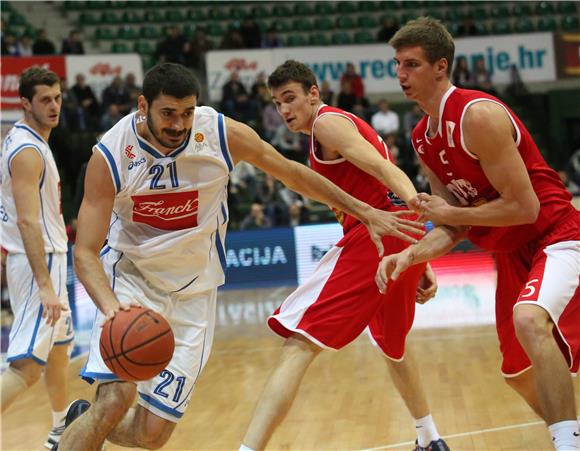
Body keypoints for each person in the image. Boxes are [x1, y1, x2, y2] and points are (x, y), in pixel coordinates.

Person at [57, 63, 423, 451]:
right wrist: (113, 309)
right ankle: (96, 417)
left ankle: (84, 419)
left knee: (151, 435)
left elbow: (292, 174)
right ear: (143, 105)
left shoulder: (218, 133)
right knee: (115, 401)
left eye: (186, 113)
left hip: (194, 294)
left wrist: (365, 212)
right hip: (131, 282)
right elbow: (84, 253)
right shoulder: (112, 154)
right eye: (168, 113)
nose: (179, 125)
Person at [377, 17, 580, 451]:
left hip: (555, 235)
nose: (401, 74)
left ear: (440, 67)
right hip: (509, 253)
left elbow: (526, 208)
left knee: (530, 320)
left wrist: (448, 210)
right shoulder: (422, 138)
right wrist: (411, 256)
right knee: (516, 373)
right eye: (397, 64)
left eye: (411, 64)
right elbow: (454, 224)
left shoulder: (478, 114)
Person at [240, 59, 449, 451]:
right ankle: (430, 439)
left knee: (299, 341)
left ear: (313, 94)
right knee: (394, 347)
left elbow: (384, 169)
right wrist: (419, 252)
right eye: (277, 102)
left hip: (377, 234)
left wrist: (414, 210)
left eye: (291, 99)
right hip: (398, 236)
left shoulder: (326, 124)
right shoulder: (331, 127)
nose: (284, 110)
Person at [0, 67, 74, 449]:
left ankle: (61, 427)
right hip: (38, 263)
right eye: (45, 99)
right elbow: (28, 220)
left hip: (47, 258)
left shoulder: (26, 139)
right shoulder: (27, 150)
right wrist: (45, 284)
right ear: (24, 102)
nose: (54, 106)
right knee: (26, 368)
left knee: (60, 350)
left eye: (57, 98)